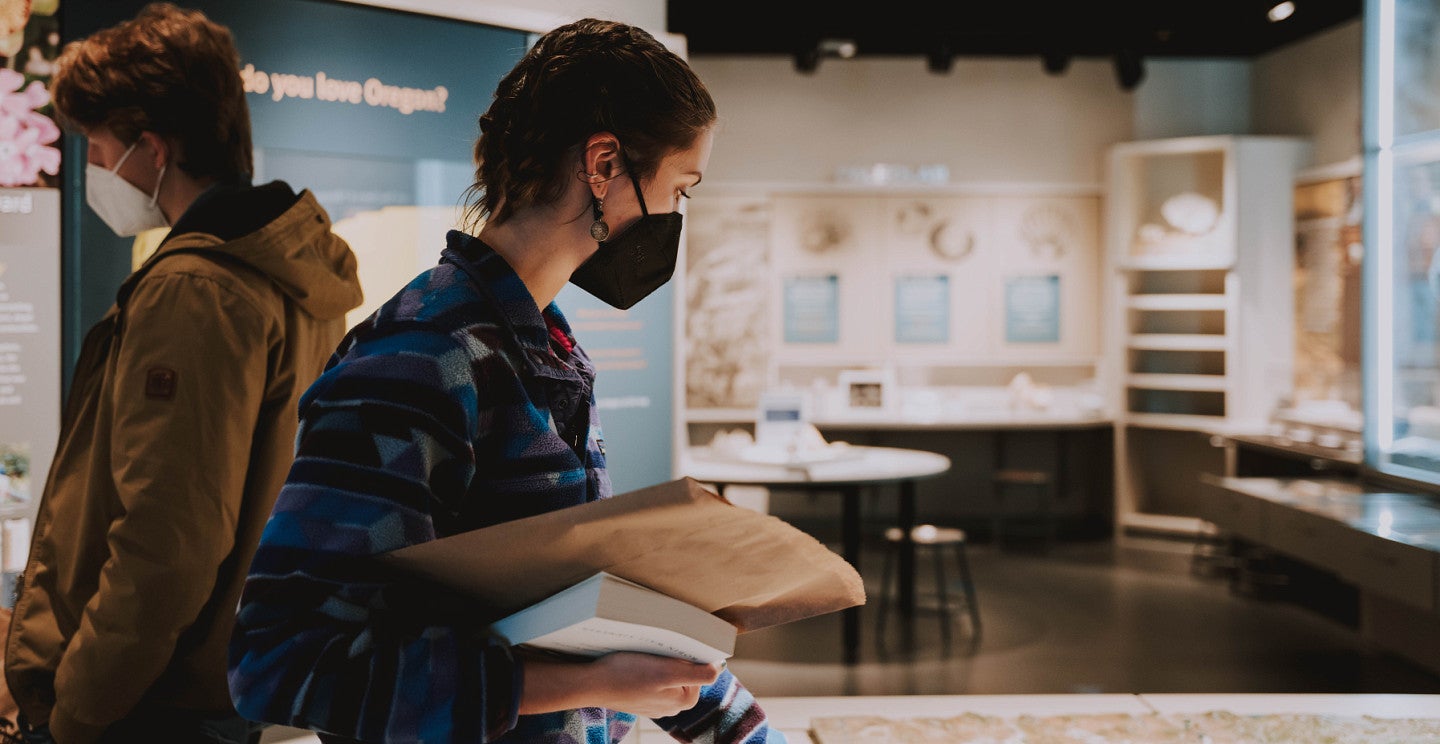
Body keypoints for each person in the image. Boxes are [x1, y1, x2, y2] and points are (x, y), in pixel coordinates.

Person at [227, 17, 784, 744]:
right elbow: (280, 660)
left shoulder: (540, 345)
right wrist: (585, 683)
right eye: (680, 188)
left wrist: (742, 728)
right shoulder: (421, 357)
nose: (676, 216)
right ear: (605, 165)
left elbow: (578, 605)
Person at [3, 4, 363, 743]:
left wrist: (76, 711)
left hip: (150, 706)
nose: (95, 168)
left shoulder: (196, 288)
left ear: (151, 147)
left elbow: (167, 543)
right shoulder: (288, 271)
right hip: (225, 685)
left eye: (99, 148)